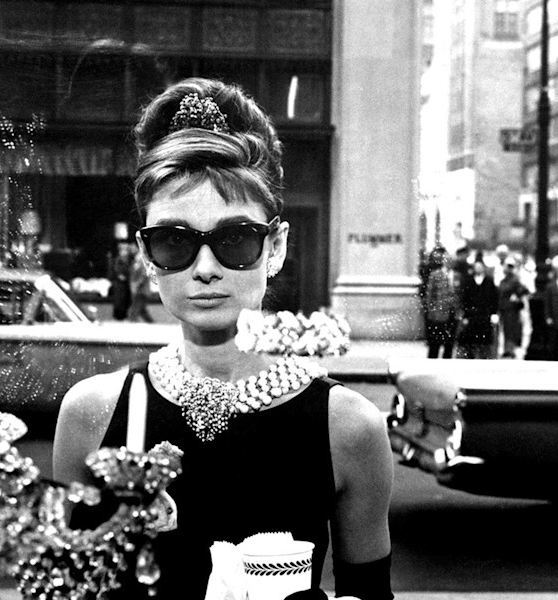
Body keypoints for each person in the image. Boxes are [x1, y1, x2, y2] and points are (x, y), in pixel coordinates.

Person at [53, 78, 394, 600]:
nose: (206, 268)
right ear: (146, 256)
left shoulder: (348, 427)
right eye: (174, 241)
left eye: (235, 238)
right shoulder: (90, 412)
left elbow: (368, 594)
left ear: (275, 247)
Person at [457, 253, 499, 359]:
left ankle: (484, 357)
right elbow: (464, 299)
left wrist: (493, 313)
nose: (479, 269)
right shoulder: (469, 281)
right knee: (470, 340)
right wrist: (465, 314)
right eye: (477, 267)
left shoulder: (489, 281)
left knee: (484, 340)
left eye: (480, 267)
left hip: (485, 315)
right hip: (471, 315)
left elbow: (494, 299)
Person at [424, 246, 460, 358]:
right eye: (447, 260)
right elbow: (430, 294)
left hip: (453, 312)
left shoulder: (457, 275)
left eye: (451, 260)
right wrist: (431, 310)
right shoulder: (435, 274)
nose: (449, 262)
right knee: (435, 342)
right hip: (438, 313)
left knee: (449, 343)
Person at [497, 256, 529, 358]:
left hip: (511, 309)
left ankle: (510, 349)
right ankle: (506, 348)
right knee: (505, 329)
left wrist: (516, 297)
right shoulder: (503, 280)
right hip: (503, 308)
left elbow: (524, 290)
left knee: (511, 329)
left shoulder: (515, 280)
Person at [128, 246, 154, 322]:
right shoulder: (135, 264)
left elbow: (143, 276)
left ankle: (132, 320)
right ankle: (150, 322)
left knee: (136, 306)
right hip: (137, 288)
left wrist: (137, 284)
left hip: (141, 289)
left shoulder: (142, 264)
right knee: (141, 308)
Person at [110, 241, 132, 320]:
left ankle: (122, 315)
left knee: (124, 300)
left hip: (125, 284)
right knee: (119, 300)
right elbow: (117, 270)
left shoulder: (128, 259)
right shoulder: (118, 260)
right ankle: (119, 316)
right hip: (120, 284)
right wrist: (120, 275)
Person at [544, 255, 558, 360]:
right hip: (554, 317)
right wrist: (548, 316)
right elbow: (547, 303)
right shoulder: (550, 286)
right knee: (553, 340)